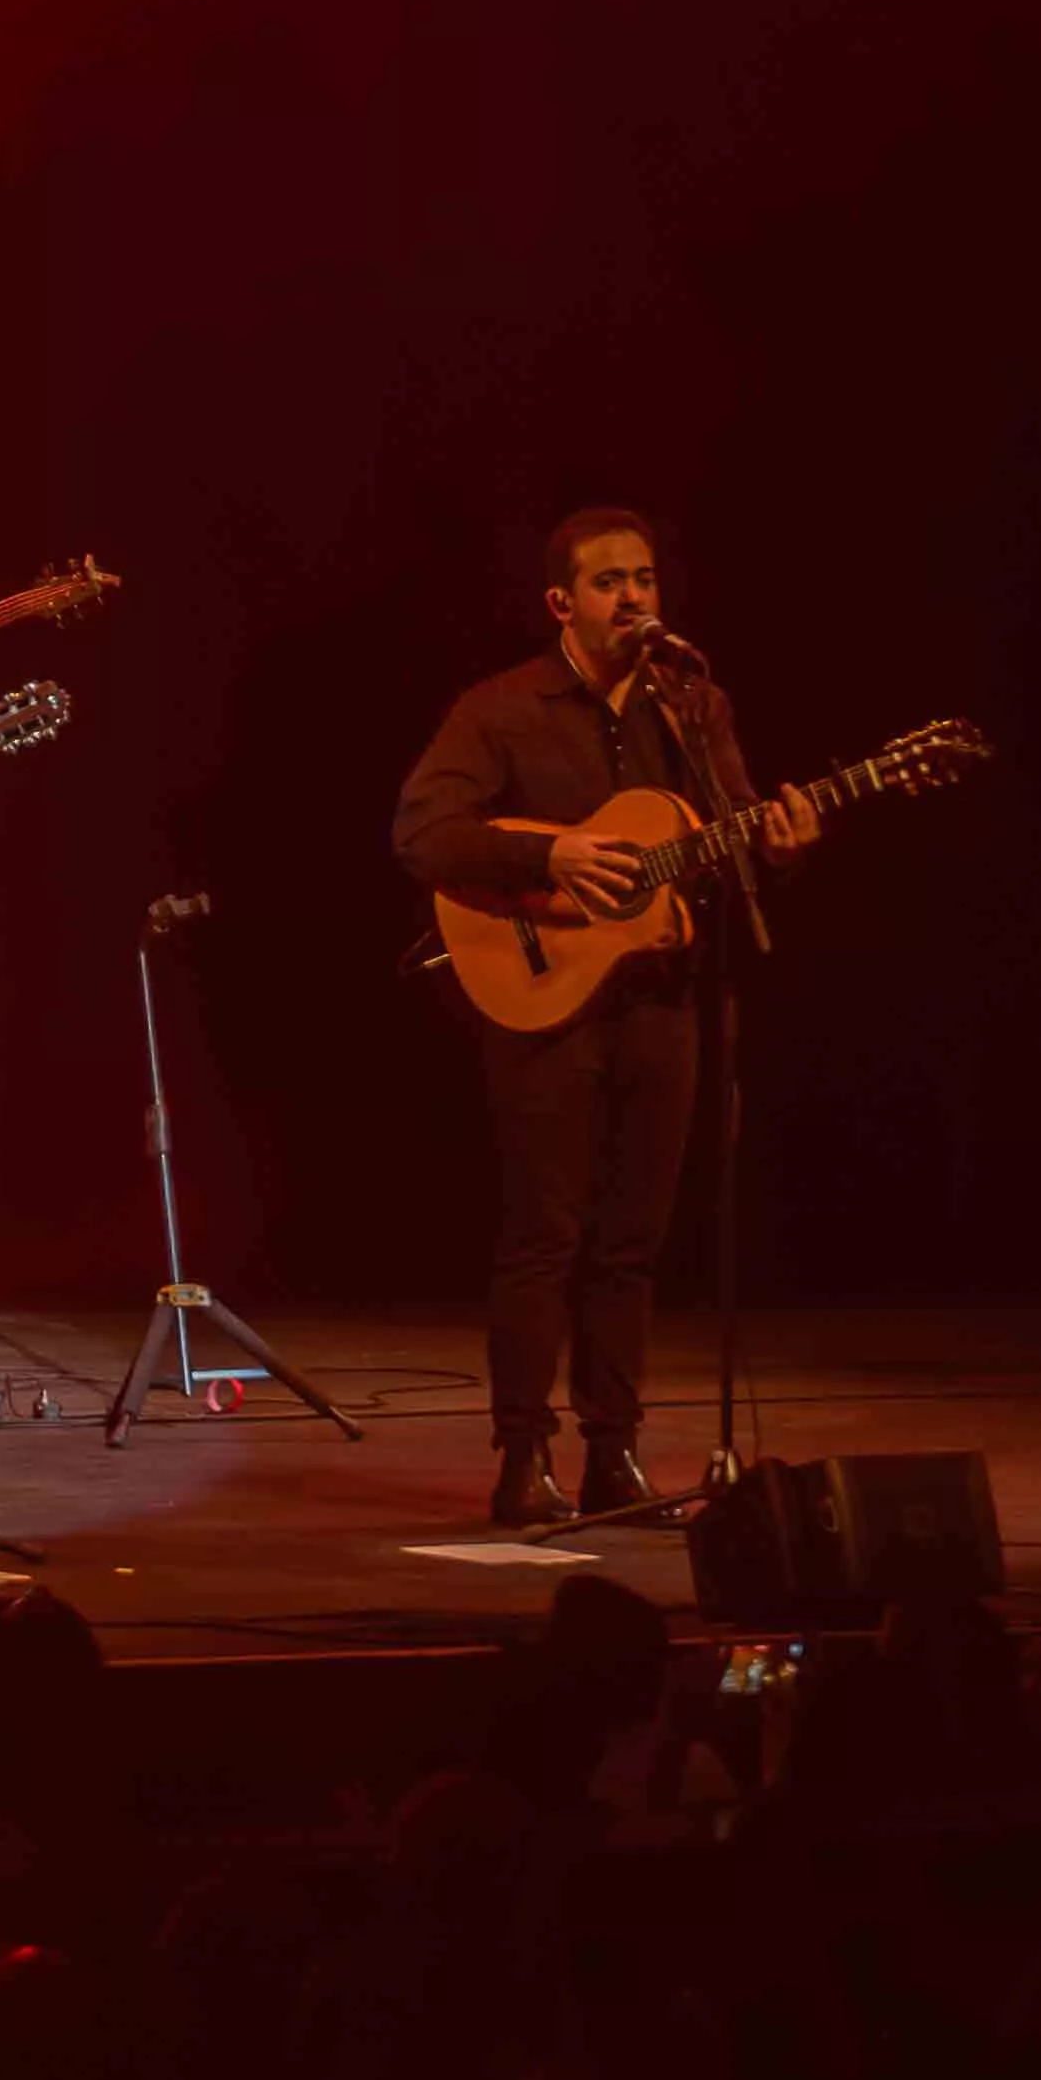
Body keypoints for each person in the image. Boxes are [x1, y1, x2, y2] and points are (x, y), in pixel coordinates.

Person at [391, 505, 815, 1528]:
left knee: (632, 1241)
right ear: (561, 602)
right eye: (608, 582)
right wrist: (549, 856)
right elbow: (422, 832)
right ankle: (520, 1456)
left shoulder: (690, 706)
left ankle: (611, 1454)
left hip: (662, 1002)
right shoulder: (499, 710)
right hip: (542, 1003)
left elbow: (729, 843)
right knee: (545, 1235)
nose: (632, 598)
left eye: (644, 580)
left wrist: (780, 842)